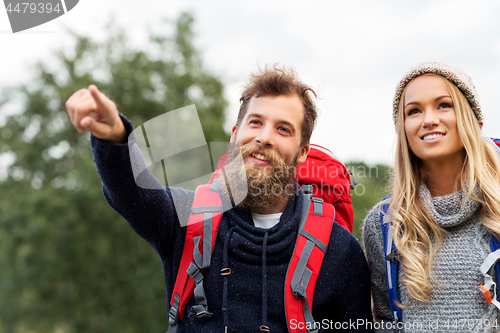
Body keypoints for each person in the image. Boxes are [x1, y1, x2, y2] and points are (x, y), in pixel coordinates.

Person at [65, 66, 373, 332]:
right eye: (255, 122)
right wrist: (114, 137)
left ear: (303, 150)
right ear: (235, 133)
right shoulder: (188, 218)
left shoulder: (339, 249)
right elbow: (132, 193)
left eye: (283, 129)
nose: (264, 137)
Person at [363, 61, 500, 333]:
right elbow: (388, 325)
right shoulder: (384, 224)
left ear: (471, 117)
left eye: (443, 105)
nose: (428, 120)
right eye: (414, 111)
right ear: (403, 129)